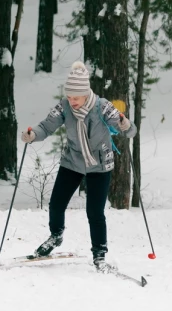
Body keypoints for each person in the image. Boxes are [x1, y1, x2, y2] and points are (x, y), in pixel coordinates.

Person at [21, 61, 137, 272]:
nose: (72, 101)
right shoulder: (65, 106)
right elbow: (46, 126)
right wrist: (32, 135)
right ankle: (56, 236)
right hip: (72, 161)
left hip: (99, 164)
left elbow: (129, 131)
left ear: (86, 93)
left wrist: (125, 125)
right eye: (70, 96)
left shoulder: (102, 106)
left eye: (76, 97)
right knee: (56, 204)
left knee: (94, 211)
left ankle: (99, 255)